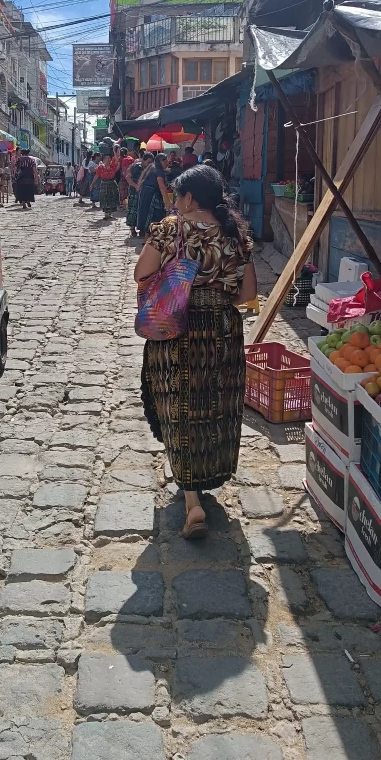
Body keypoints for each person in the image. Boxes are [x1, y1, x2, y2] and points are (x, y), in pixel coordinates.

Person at [134, 165, 256, 538]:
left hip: (176, 327)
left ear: (189, 198)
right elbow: (248, 293)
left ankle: (192, 503)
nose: (176, 201)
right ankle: (208, 475)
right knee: (215, 405)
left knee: (179, 406)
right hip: (222, 330)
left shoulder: (170, 229)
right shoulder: (235, 233)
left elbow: (141, 272)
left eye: (178, 195)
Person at [137, 153, 172, 238]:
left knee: (147, 215)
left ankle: (147, 237)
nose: (167, 163)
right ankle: (149, 239)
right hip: (152, 195)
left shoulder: (152, 167)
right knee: (153, 216)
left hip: (146, 193)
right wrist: (167, 201)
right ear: (161, 161)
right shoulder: (158, 171)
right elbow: (161, 186)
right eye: (166, 161)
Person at [95, 146, 121, 220]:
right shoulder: (100, 167)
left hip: (112, 183)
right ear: (103, 160)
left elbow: (117, 160)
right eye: (106, 158)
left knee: (112, 198)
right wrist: (92, 184)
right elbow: (97, 175)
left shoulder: (113, 166)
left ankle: (109, 213)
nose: (108, 159)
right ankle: (106, 213)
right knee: (104, 198)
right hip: (104, 183)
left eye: (109, 158)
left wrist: (114, 151)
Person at [125, 154, 144, 237]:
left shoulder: (149, 168)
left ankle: (142, 228)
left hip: (143, 191)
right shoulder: (136, 166)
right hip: (134, 191)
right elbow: (128, 177)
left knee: (141, 209)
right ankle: (132, 228)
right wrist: (136, 186)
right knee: (133, 209)